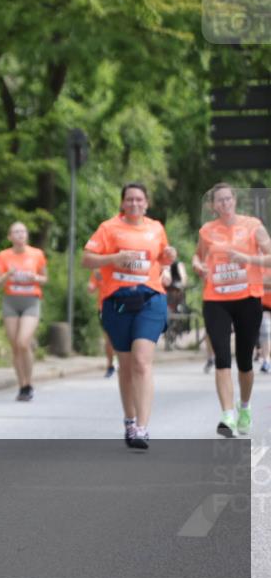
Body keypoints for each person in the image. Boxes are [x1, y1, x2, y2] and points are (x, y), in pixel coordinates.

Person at [82, 183, 177, 449]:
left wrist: (170, 256)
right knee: (125, 365)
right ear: (123, 203)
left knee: (141, 362)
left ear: (146, 203)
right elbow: (87, 259)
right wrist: (113, 258)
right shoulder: (108, 228)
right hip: (118, 302)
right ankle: (129, 419)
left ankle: (142, 428)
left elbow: (163, 258)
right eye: (130, 200)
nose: (135, 204)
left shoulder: (156, 228)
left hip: (150, 300)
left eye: (140, 200)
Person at [192, 183, 271, 437]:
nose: (225, 204)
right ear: (213, 206)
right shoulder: (207, 231)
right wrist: (199, 266)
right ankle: (227, 416)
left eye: (228, 199)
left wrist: (248, 259)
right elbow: (198, 256)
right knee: (222, 358)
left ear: (235, 201)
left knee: (245, 361)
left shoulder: (253, 226)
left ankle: (244, 408)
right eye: (220, 201)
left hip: (248, 297)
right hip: (216, 299)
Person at [0, 222, 48, 401]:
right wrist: (7, 275)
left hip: (31, 301)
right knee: (15, 347)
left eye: (23, 231)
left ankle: (29, 382)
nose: (20, 235)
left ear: (27, 235)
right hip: (11, 301)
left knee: (23, 342)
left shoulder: (37, 254)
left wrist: (35, 277)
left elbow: (45, 279)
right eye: (16, 232)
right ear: (10, 237)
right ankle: (22, 385)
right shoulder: (3, 256)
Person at [88, 269, 116, 378]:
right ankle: (110, 365)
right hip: (104, 308)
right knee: (109, 338)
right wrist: (91, 285)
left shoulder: (121, 266)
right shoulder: (99, 270)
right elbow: (91, 287)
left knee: (122, 337)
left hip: (122, 307)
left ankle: (124, 362)